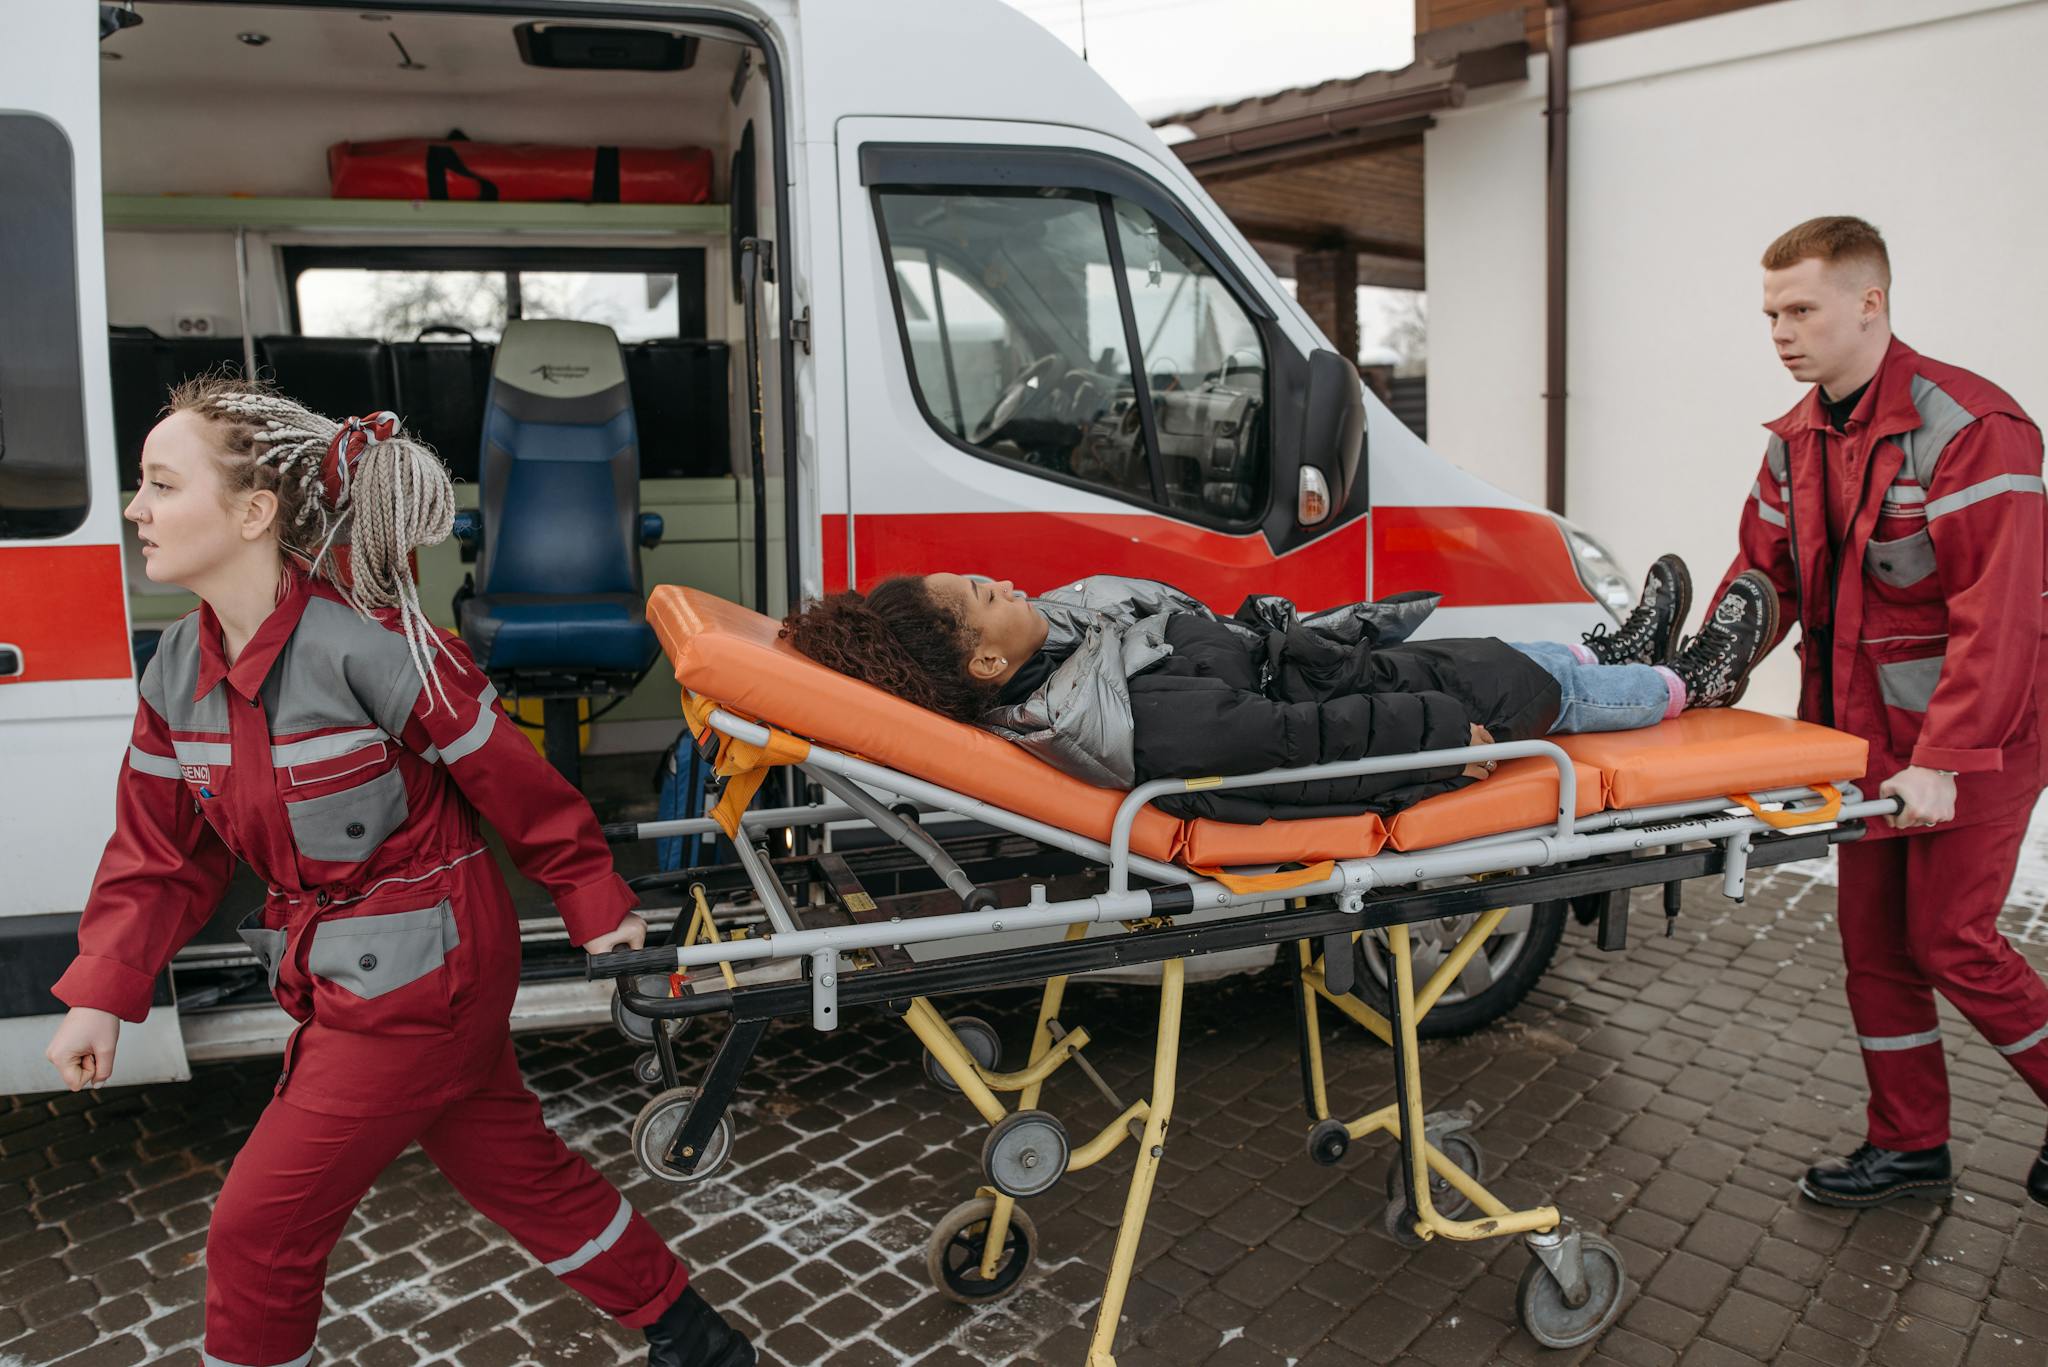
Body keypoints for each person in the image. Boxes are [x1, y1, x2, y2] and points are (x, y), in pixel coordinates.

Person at [41, 377, 753, 1367]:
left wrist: (593, 901)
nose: (135, 509)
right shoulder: (172, 673)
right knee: (519, 1172)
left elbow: (515, 781)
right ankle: (699, 1341)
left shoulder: (375, 646)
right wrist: (101, 993)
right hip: (347, 969)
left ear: (253, 512)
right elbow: (157, 854)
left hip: (425, 974)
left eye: (162, 484)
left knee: (256, 1233)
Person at [1714, 216, 2048, 1210]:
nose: (1780, 332)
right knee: (1874, 947)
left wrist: (1943, 757)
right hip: (1862, 743)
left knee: (1951, 939)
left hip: (1980, 737)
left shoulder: (1972, 427)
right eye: (1770, 314)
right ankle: (1908, 1145)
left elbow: (2001, 614)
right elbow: (1760, 583)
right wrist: (1691, 680)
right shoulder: (1796, 443)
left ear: (1870, 302)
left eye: (1800, 309)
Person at [781, 554, 1778, 825]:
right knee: (1524, 687)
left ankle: (1613, 650)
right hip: (1389, 712)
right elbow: (1293, 754)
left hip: (1317, 666)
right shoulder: (1124, 717)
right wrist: (1440, 733)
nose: (996, 581)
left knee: (1492, 651)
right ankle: (1683, 683)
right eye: (981, 597)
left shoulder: (1067, 654)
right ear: (986, 667)